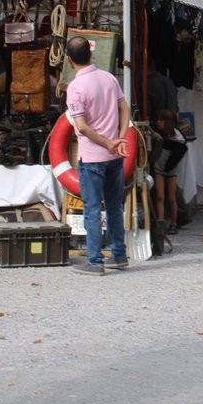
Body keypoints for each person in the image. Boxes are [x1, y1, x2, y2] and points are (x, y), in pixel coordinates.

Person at [65, 36, 132, 275]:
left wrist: (107, 143)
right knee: (114, 206)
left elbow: (81, 126)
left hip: (93, 156)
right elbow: (124, 107)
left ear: (69, 60)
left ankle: (95, 261)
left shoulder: (75, 87)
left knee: (92, 209)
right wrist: (119, 139)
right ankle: (119, 255)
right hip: (115, 156)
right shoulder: (109, 78)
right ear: (91, 55)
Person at [150, 109, 188, 234]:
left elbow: (173, 149)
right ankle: (161, 223)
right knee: (160, 196)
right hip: (161, 168)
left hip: (171, 169)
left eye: (161, 120)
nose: (158, 122)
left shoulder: (177, 138)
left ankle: (173, 223)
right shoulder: (161, 135)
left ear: (167, 122)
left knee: (171, 198)